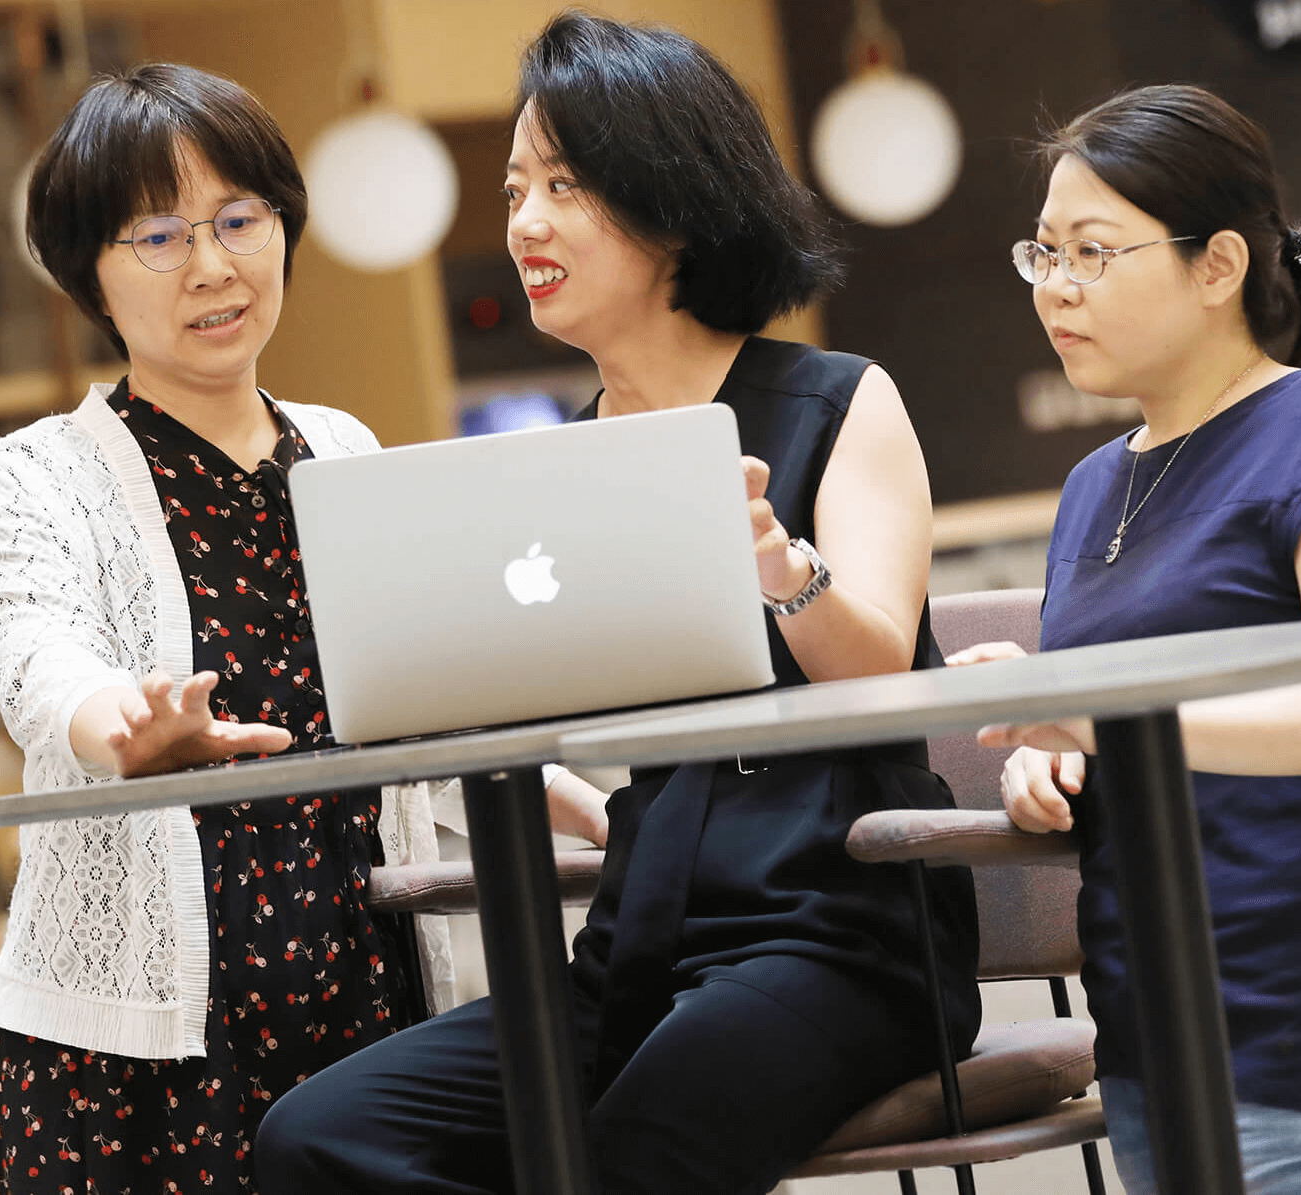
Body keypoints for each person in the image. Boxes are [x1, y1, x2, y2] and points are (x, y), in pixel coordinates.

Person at [254, 13, 980, 1195]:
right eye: (514, 190)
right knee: (318, 1134)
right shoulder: (564, 460)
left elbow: (880, 674)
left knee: (627, 1148)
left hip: (842, 934)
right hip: (640, 941)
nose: (522, 223)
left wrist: (778, 563)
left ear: (671, 200)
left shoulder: (838, 399)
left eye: (564, 186)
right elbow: (542, 722)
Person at [0, 63, 608, 1195]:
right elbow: (37, 654)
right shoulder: (36, 473)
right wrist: (127, 730)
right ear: (88, 272)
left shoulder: (344, 448)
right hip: (139, 1040)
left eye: (238, 220)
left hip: (362, 992)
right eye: (158, 237)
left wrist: (585, 805)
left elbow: (421, 699)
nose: (212, 267)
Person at [963, 83, 1301, 1193]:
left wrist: (1091, 718)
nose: (1055, 286)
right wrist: (1050, 756)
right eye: (1043, 252)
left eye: (1093, 252)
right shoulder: (1095, 484)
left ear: (1217, 265)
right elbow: (1119, 730)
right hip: (1151, 1040)